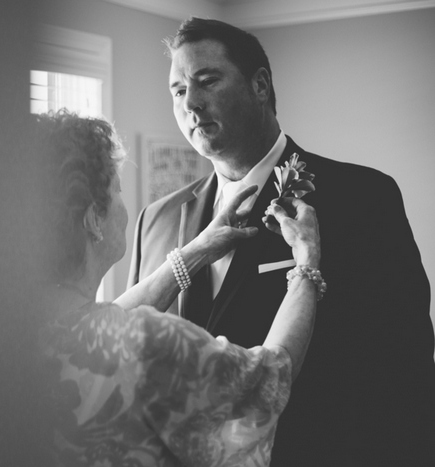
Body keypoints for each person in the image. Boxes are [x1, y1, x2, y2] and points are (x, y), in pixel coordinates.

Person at [127, 17, 435, 467]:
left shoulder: (362, 198)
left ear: (260, 85)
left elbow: (403, 365)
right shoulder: (153, 221)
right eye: (177, 90)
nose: (190, 102)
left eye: (207, 80)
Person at [36, 109, 323, 467]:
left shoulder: (9, 338)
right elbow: (267, 377)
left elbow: (96, 322)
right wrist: (307, 265)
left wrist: (195, 252)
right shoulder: (143, 344)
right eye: (118, 188)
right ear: (94, 218)